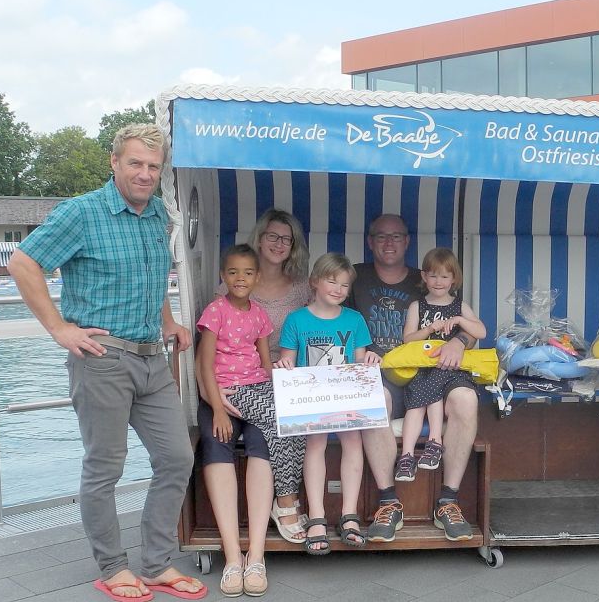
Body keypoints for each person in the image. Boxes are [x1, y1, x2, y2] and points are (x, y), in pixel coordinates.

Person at [8, 124, 206, 601]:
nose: (144, 173)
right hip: (102, 359)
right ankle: (113, 566)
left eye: (153, 166)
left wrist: (168, 322)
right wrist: (59, 329)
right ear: (114, 163)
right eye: (135, 163)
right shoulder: (81, 213)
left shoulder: (158, 212)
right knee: (105, 468)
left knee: (177, 458)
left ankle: (156, 564)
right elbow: (23, 262)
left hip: (151, 360)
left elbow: (152, 274)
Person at [195, 209, 310, 596]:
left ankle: (258, 552)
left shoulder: (292, 294)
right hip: (224, 387)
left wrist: (285, 381)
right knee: (218, 440)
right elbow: (204, 361)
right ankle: (233, 556)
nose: (279, 244)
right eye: (272, 236)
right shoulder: (218, 307)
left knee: (286, 421)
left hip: (269, 381)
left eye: (287, 238)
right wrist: (214, 403)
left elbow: (268, 359)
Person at [346, 214, 480, 542]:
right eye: (381, 236)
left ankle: (448, 501)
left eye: (396, 236)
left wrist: (459, 342)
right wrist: (356, 355)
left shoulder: (425, 281)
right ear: (369, 241)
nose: (389, 242)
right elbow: (334, 317)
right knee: (373, 399)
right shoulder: (355, 276)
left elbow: (469, 327)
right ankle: (388, 502)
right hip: (383, 370)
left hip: (436, 368)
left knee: (466, 399)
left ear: (408, 241)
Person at [276, 253, 381, 555]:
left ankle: (349, 514)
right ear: (314, 282)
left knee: (353, 442)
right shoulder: (296, 319)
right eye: (331, 281)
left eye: (345, 285)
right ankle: (318, 517)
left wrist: (371, 359)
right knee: (315, 445)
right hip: (312, 399)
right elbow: (288, 361)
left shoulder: (355, 319)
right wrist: (283, 365)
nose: (338, 289)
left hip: (346, 395)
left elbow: (360, 361)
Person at [396, 247, 486, 485]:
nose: (438, 281)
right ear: (424, 277)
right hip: (422, 366)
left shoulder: (459, 306)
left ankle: (434, 441)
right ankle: (407, 456)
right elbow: (408, 339)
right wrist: (429, 329)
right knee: (416, 404)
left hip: (449, 368)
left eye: (444, 276)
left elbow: (481, 331)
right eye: (433, 275)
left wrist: (458, 321)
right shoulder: (418, 306)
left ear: (453, 279)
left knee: (432, 391)